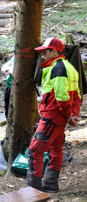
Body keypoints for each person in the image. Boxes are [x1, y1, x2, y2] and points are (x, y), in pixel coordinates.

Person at [28, 38, 81, 192]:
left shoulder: (59, 68)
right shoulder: (69, 67)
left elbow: (63, 98)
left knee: (34, 150)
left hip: (52, 118)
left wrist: (68, 116)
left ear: (55, 51)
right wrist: (73, 115)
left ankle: (34, 190)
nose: (43, 55)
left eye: (45, 52)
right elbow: (77, 95)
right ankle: (50, 184)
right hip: (57, 119)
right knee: (55, 149)